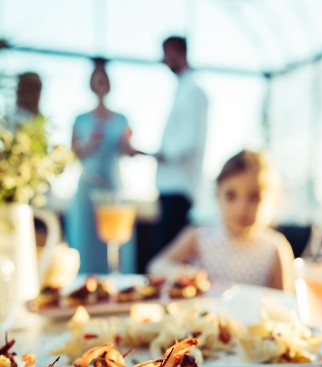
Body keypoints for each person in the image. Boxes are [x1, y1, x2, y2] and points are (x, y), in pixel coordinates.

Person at [147, 149, 295, 293]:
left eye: (254, 197)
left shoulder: (275, 248)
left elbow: (285, 304)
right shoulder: (199, 237)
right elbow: (156, 266)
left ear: (273, 201)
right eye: (231, 196)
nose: (241, 207)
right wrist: (179, 272)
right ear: (218, 196)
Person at [65, 58, 141, 274]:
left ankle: (117, 284)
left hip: (113, 184)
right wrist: (85, 147)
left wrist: (136, 148)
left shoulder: (121, 119)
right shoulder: (80, 119)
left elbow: (127, 149)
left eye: (103, 78)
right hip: (87, 186)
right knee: (86, 238)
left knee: (116, 238)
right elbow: (72, 154)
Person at [152, 35, 208, 255]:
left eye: (167, 53)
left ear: (178, 53)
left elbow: (191, 140)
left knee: (167, 253)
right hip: (170, 185)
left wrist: (163, 154)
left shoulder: (194, 91)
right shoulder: (183, 89)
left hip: (180, 186)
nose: (165, 60)